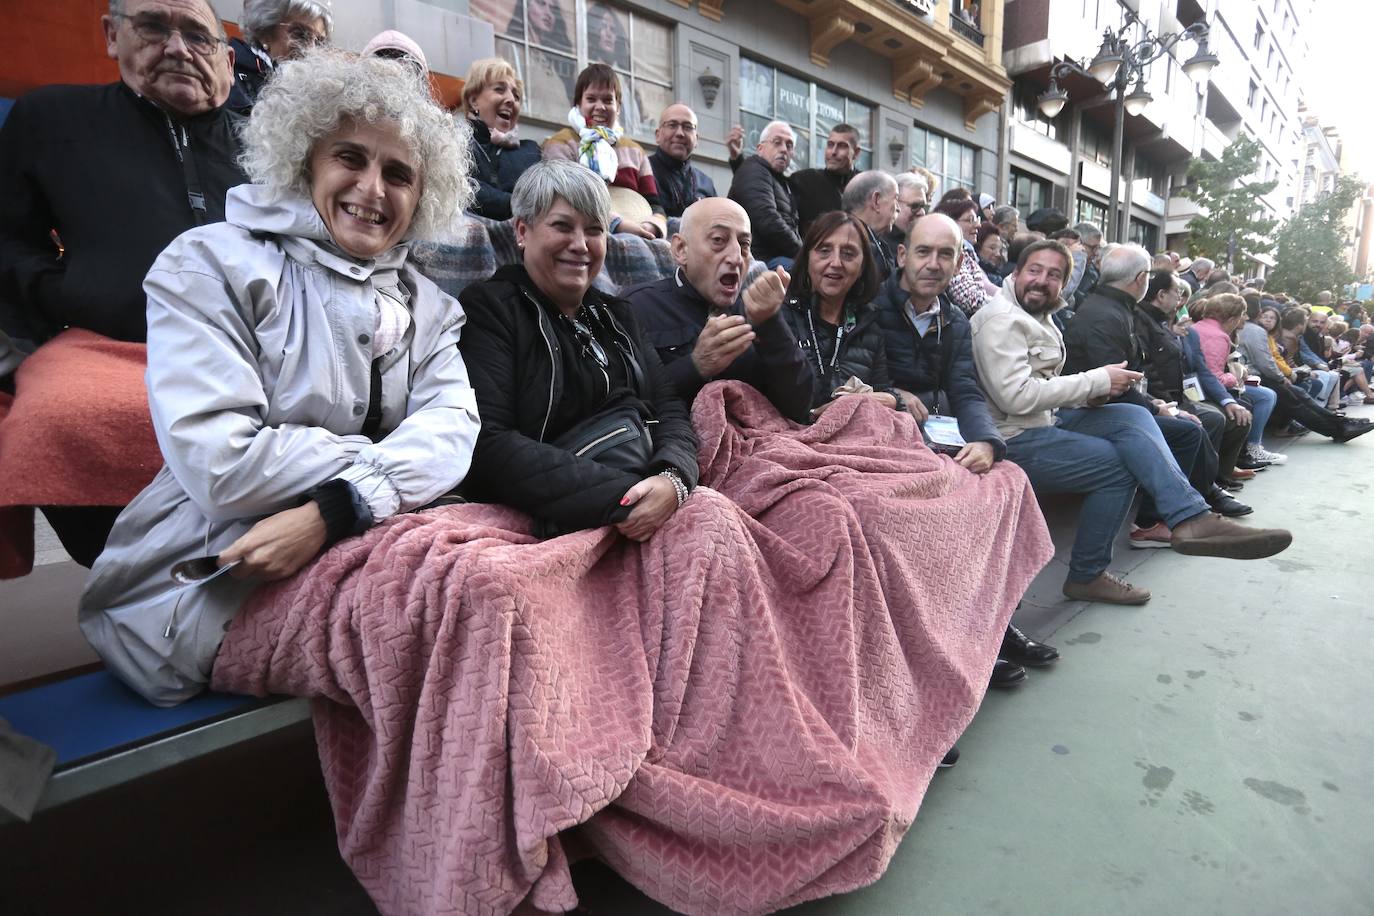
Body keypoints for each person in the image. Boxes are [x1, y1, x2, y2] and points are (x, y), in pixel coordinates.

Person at [78, 50, 481, 706]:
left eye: (399, 173)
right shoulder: (208, 264)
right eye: (350, 158)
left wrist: (337, 508)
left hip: (359, 544)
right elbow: (223, 466)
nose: (373, 190)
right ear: (305, 160)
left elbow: (454, 434)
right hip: (205, 586)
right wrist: (383, 476)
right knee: (471, 611)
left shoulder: (432, 308)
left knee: (510, 591)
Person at [0, 0, 247, 566]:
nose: (178, 47)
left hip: (257, 353)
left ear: (229, 63)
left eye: (197, 36)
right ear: (112, 36)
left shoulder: (272, 145)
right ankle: (135, 583)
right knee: (54, 421)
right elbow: (8, 240)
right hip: (112, 349)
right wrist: (65, 293)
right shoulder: (53, 119)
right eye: (155, 27)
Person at [970, 239, 1292, 606]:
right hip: (1012, 435)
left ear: (1063, 284)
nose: (1043, 280)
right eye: (1035, 270)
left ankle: (1190, 516)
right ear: (1016, 272)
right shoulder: (1002, 320)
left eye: (1054, 275)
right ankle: (1087, 574)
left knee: (1132, 414)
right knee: (1117, 466)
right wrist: (1098, 381)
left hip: (1047, 419)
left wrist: (1091, 393)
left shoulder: (1040, 314)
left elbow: (1043, 388)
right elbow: (1015, 396)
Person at [458, 159, 697, 541]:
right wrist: (625, 496)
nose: (581, 245)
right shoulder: (491, 309)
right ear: (522, 230)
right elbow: (489, 444)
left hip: (649, 491)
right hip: (566, 513)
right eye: (562, 226)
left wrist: (675, 477)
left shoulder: (619, 313)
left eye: (594, 230)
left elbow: (668, 404)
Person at [873, 213, 1053, 683]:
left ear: (958, 263)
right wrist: (894, 394)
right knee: (947, 509)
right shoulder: (872, 306)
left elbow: (966, 389)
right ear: (901, 256)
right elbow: (859, 378)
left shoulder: (954, 320)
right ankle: (957, 640)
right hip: (888, 440)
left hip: (939, 435)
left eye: (946, 254)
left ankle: (996, 622)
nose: (933, 264)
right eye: (923, 251)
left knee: (1008, 482)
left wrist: (988, 442)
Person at [1063, 248, 1244, 520]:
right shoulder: (1109, 315)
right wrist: (1158, 407)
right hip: (1090, 408)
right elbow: (1116, 382)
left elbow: (1128, 376)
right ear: (1140, 278)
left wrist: (1155, 403)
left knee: (1195, 424)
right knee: (1188, 430)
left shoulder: (1113, 309)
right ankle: (1155, 520)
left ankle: (1197, 500)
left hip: (1109, 402)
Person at [624, 198, 813, 423]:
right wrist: (695, 366)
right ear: (681, 249)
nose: (736, 257)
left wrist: (771, 323)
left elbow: (799, 408)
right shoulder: (636, 307)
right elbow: (621, 404)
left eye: (744, 244)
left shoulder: (755, 309)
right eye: (718, 240)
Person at [780, 211, 917, 416]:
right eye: (824, 250)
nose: (836, 262)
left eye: (848, 253)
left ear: (862, 266)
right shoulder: (782, 314)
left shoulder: (868, 326)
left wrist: (892, 399)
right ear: (807, 258)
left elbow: (882, 390)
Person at [542, 64, 666, 239]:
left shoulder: (635, 151)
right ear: (578, 103)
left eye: (608, 100)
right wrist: (616, 224)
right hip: (581, 236)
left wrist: (651, 226)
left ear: (619, 107)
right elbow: (562, 200)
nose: (600, 107)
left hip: (640, 234)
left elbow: (655, 206)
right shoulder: (560, 144)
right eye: (591, 99)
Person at [1235, 299, 1372, 443]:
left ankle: (1341, 423)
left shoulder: (1255, 331)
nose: (1244, 317)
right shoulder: (1255, 331)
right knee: (1293, 399)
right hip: (1253, 378)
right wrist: (1283, 377)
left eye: (1272, 318)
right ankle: (1338, 429)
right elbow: (1266, 362)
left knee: (1298, 393)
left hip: (1258, 376)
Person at [1190, 293, 1285, 469]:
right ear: (1232, 317)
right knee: (1244, 412)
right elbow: (1212, 375)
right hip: (1200, 392)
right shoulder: (1218, 336)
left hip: (1199, 388)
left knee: (1249, 403)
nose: (1246, 318)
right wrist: (1234, 377)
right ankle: (1225, 470)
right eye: (1243, 314)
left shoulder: (1202, 327)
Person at [461, 57, 542, 221]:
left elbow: (539, 202)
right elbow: (464, 190)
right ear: (474, 101)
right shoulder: (455, 142)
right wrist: (516, 204)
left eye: (516, 96)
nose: (511, 100)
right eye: (499, 89)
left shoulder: (531, 151)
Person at [227, 0, 331, 112]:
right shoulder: (230, 75)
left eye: (319, 42)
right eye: (300, 34)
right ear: (265, 32)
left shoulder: (305, 84)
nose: (311, 50)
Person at [727, 120, 801, 267]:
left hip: (774, 257)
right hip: (757, 259)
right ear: (760, 148)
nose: (784, 149)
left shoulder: (778, 179)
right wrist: (803, 253)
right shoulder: (754, 170)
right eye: (777, 142)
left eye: (789, 145)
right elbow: (767, 219)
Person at [648, 103, 720, 219]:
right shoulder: (644, 170)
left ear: (696, 139)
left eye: (687, 127)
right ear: (658, 135)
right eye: (672, 125)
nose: (680, 133)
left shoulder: (706, 183)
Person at [790, 124, 861, 237]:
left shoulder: (866, 185)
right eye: (830, 145)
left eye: (842, 146)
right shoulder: (803, 181)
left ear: (856, 152)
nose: (833, 152)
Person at [935, 197, 997, 315]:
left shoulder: (968, 254)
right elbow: (971, 299)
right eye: (970, 220)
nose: (978, 225)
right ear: (951, 222)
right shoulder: (953, 253)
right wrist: (1007, 307)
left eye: (977, 219)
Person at [841, 170, 899, 279]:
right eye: (895, 199)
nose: (898, 209)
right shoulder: (850, 243)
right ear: (876, 200)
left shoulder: (875, 242)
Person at [886, 171, 929, 249]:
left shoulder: (926, 239)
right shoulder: (878, 243)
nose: (922, 212)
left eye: (924, 207)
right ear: (895, 203)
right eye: (915, 206)